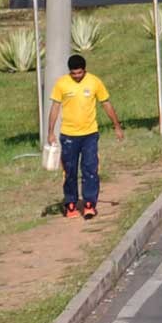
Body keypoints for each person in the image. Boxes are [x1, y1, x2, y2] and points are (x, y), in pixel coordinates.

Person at [47, 53, 124, 220]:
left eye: (80, 73)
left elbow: (106, 103)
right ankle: (71, 204)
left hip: (89, 134)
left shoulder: (95, 82)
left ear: (85, 70)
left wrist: (117, 126)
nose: (77, 76)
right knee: (70, 171)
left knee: (90, 169)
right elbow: (55, 108)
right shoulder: (62, 84)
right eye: (73, 73)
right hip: (68, 135)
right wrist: (50, 132)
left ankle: (89, 204)